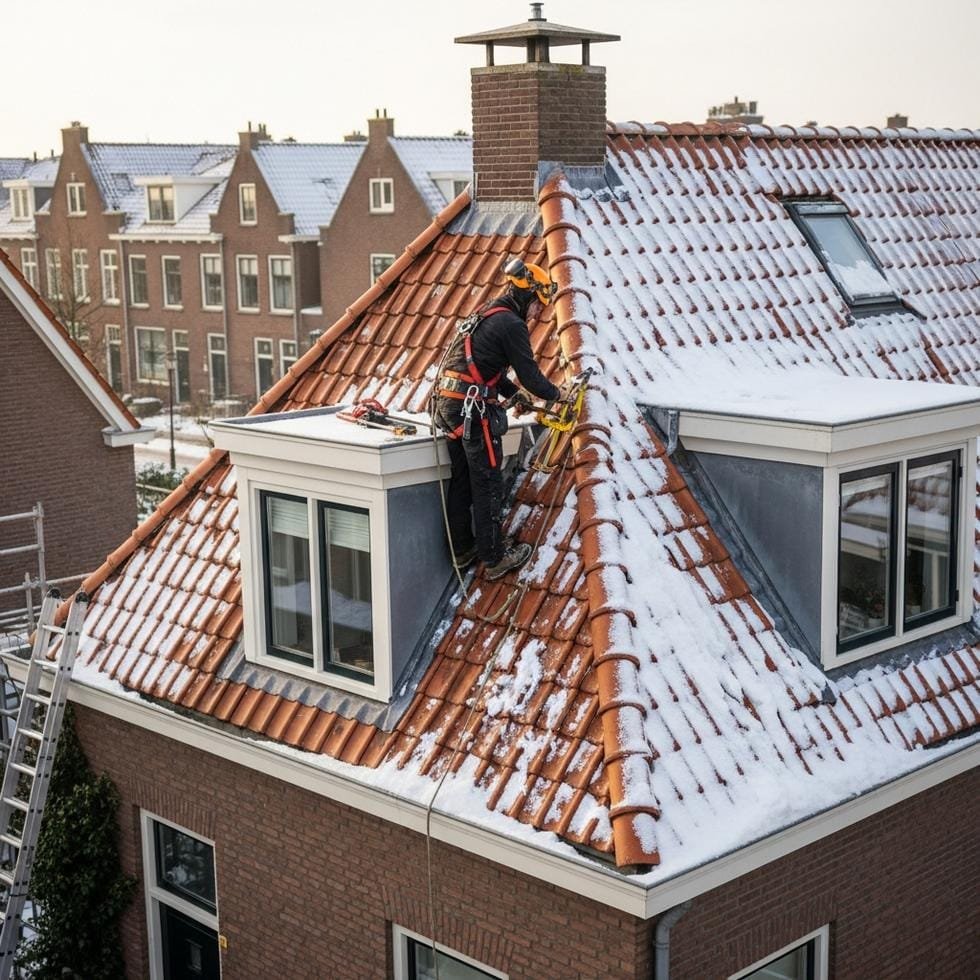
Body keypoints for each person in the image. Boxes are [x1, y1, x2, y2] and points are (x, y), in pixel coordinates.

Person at [433, 258, 574, 581]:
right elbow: (532, 376)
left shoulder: (487, 313)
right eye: (538, 305)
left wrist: (512, 395)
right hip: (472, 412)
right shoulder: (512, 325)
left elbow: (483, 367)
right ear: (528, 296)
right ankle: (494, 557)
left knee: (462, 479)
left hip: (448, 405)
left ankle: (463, 548)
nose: (539, 314)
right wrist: (559, 395)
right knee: (487, 482)